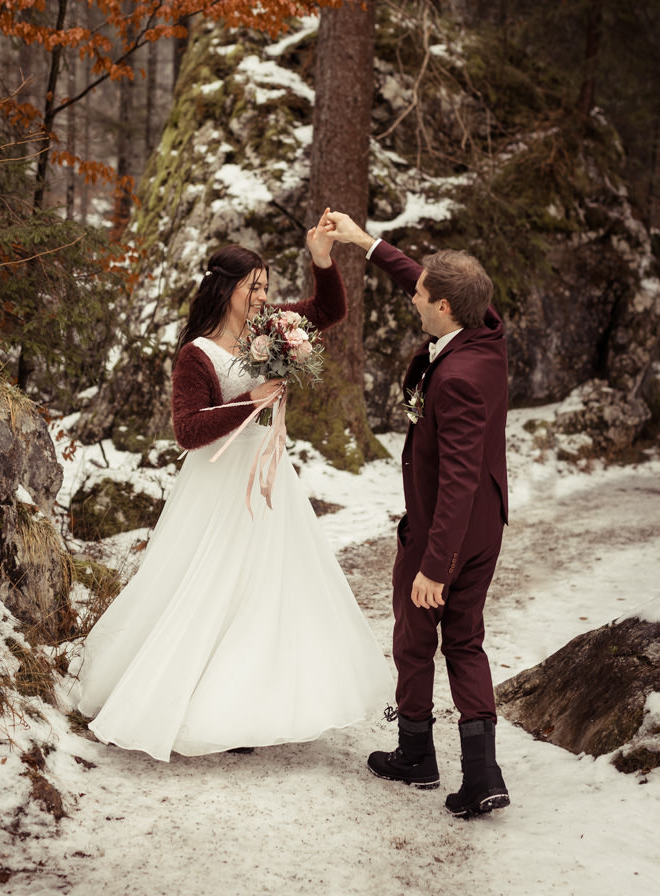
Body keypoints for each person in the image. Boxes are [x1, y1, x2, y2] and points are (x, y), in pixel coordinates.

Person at [76, 209, 392, 760]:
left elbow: (330, 310)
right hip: (219, 484)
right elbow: (188, 431)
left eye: (267, 287)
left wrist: (322, 259)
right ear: (225, 289)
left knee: (268, 590)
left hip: (271, 480)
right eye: (254, 287)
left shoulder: (269, 331)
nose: (263, 297)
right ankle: (183, 701)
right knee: (208, 588)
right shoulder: (195, 355)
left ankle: (250, 706)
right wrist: (246, 403)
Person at [325, 211, 510, 817]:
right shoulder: (487, 336)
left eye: (423, 297)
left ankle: (415, 756)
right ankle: (483, 775)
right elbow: (422, 276)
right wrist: (363, 242)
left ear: (447, 310)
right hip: (486, 525)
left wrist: (434, 563)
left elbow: (455, 478)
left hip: (444, 530)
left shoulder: (454, 378)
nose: (415, 298)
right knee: (466, 643)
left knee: (414, 640)